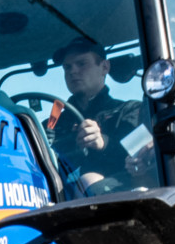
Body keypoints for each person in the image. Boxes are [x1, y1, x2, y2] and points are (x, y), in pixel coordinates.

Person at [46, 37, 151, 189]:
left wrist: (104, 143)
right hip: (56, 197)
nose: (73, 71)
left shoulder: (131, 111)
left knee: (89, 182)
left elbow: (140, 161)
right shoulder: (53, 124)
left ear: (104, 67)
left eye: (81, 64)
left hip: (119, 200)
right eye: (67, 67)